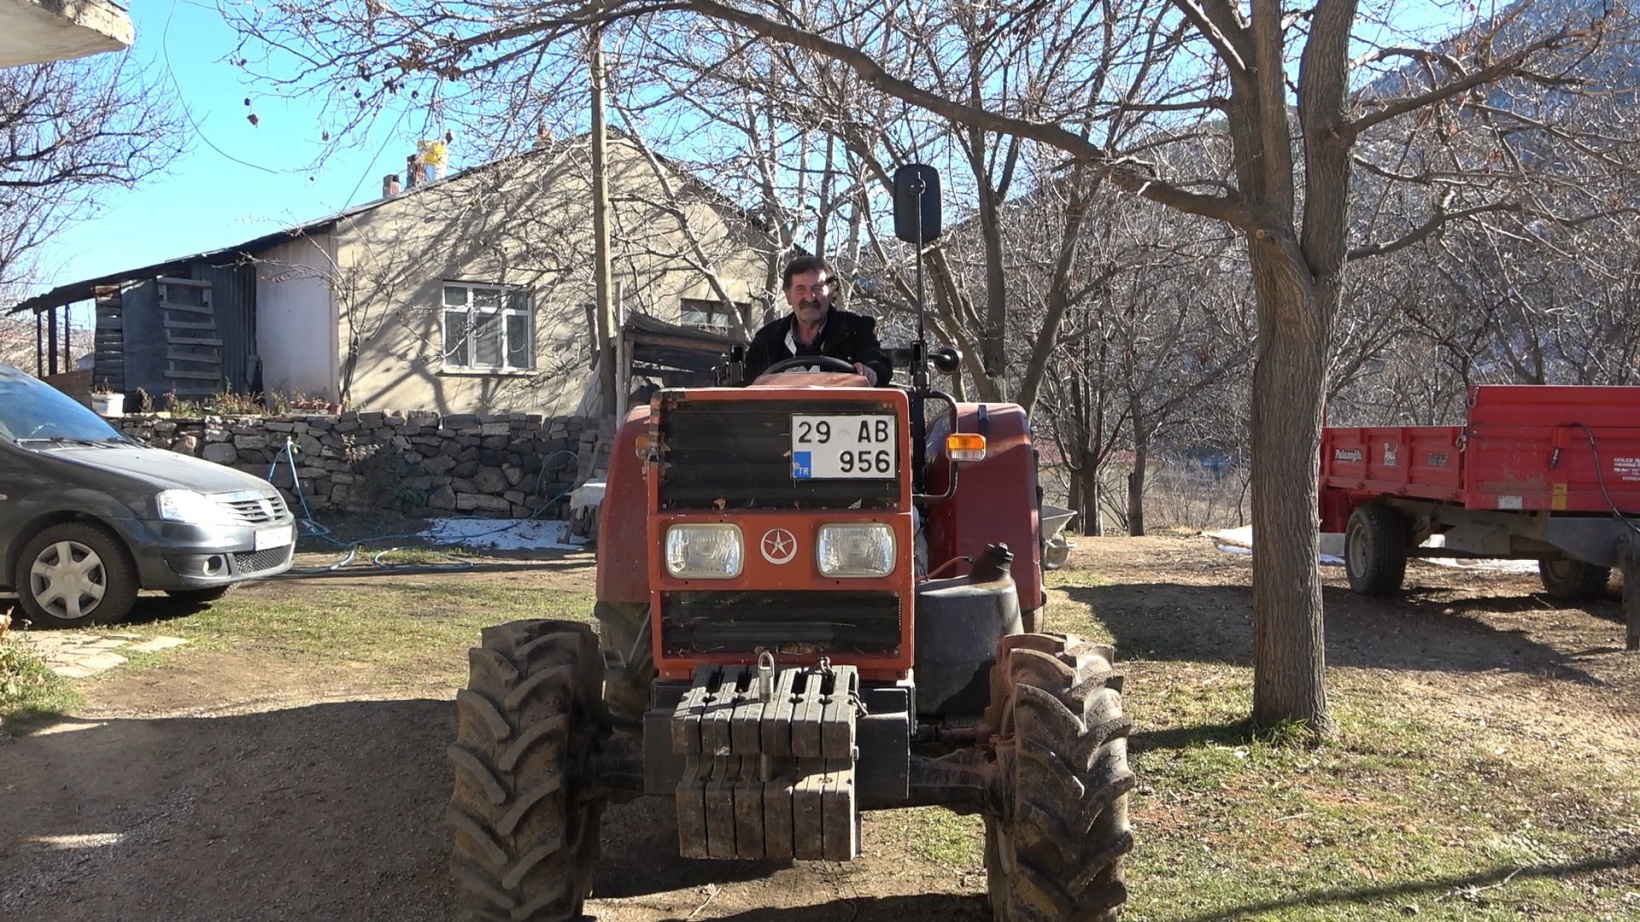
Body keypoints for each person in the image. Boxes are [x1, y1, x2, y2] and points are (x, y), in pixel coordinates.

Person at [742, 255, 893, 386]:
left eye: (817, 288)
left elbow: (877, 363)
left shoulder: (856, 330)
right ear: (788, 296)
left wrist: (870, 371)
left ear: (832, 293)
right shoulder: (766, 341)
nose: (810, 298)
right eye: (801, 289)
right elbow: (748, 390)